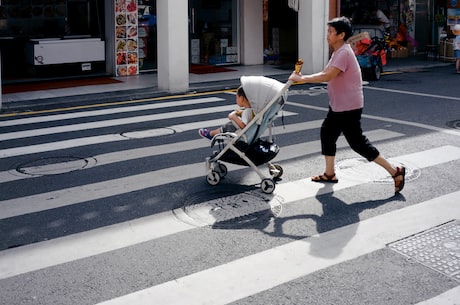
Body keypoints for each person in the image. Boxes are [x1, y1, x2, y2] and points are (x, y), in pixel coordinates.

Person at [289, 16, 406, 193]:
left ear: (341, 35)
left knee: (358, 144)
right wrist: (303, 76)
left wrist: (302, 79)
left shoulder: (343, 52)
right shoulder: (338, 51)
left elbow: (327, 76)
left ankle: (394, 171)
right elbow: (326, 72)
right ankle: (329, 173)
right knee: (327, 133)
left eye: (330, 32)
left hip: (348, 107)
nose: (327, 35)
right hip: (339, 105)